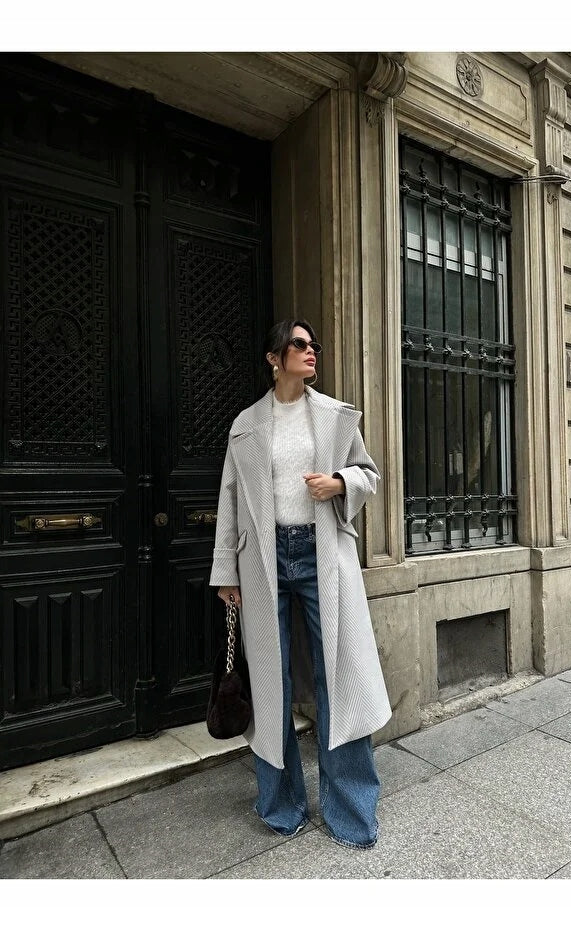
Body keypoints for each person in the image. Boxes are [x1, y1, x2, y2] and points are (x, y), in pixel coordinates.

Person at [209, 319, 392, 849]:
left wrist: (339, 483)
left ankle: (352, 812)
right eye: (300, 344)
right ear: (274, 358)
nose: (311, 352)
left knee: (342, 679)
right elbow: (229, 500)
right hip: (263, 561)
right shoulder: (246, 425)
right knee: (273, 686)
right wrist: (226, 573)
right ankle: (280, 805)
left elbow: (368, 473)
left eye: (314, 345)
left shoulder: (334, 415)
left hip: (321, 555)